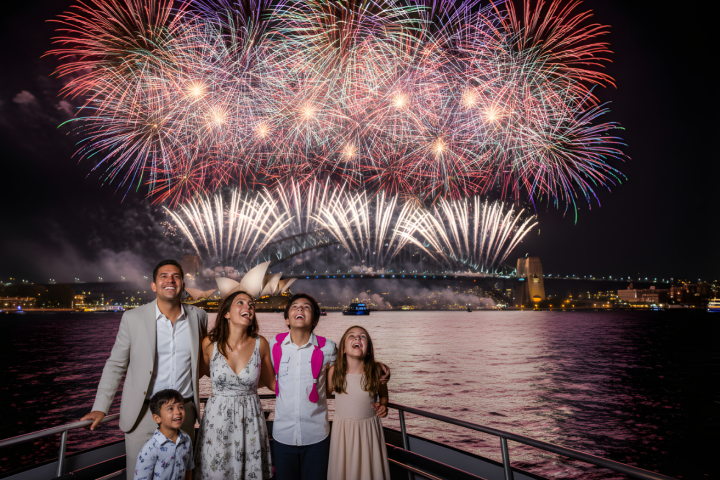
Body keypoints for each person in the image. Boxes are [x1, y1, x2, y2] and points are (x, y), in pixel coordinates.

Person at [81, 260, 208, 478]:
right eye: (164, 276)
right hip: (143, 413)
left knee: (182, 475)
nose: (170, 280)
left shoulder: (199, 316)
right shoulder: (133, 318)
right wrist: (101, 406)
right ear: (153, 285)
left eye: (176, 276)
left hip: (183, 412)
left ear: (183, 283)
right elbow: (115, 365)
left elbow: (203, 361)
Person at [268, 294, 392, 480]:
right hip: (283, 435)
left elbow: (350, 361)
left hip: (317, 435)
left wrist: (376, 365)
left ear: (316, 320)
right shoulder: (273, 345)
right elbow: (266, 377)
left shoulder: (329, 348)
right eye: (295, 306)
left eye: (307, 307)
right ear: (286, 318)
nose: (300, 309)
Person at [195, 290, 274, 479]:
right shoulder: (209, 344)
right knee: (215, 470)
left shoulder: (260, 344)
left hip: (250, 419)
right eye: (241, 303)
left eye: (251, 304)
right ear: (226, 313)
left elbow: (272, 383)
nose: (248, 307)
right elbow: (199, 374)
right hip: (217, 419)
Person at [327, 326, 391, 479]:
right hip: (343, 431)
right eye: (352, 336)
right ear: (342, 348)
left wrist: (383, 406)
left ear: (368, 349)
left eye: (363, 336)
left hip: (368, 431)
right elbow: (323, 395)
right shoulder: (334, 371)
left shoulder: (376, 370)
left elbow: (384, 396)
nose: (357, 338)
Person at [134, 389, 194, 480]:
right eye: (170, 408)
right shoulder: (149, 449)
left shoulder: (187, 439)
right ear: (157, 418)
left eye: (180, 407)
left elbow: (189, 470)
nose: (178, 412)